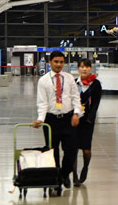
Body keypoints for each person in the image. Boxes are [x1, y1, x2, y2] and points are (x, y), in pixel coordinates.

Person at [33, 51, 81, 189]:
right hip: (51, 120)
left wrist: (76, 113)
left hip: (68, 119)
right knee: (52, 151)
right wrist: (40, 119)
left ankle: (64, 174)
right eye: (56, 62)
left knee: (72, 150)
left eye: (61, 62)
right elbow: (42, 102)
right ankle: (56, 180)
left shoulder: (69, 78)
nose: (59, 64)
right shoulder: (43, 81)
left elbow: (75, 97)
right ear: (50, 63)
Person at [73, 59, 102, 187]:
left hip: (88, 120)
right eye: (82, 67)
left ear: (90, 68)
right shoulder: (74, 83)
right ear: (78, 68)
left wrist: (91, 118)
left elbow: (96, 102)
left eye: (87, 67)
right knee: (73, 149)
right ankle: (74, 174)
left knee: (86, 149)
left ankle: (85, 167)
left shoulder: (96, 84)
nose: (84, 69)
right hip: (75, 119)